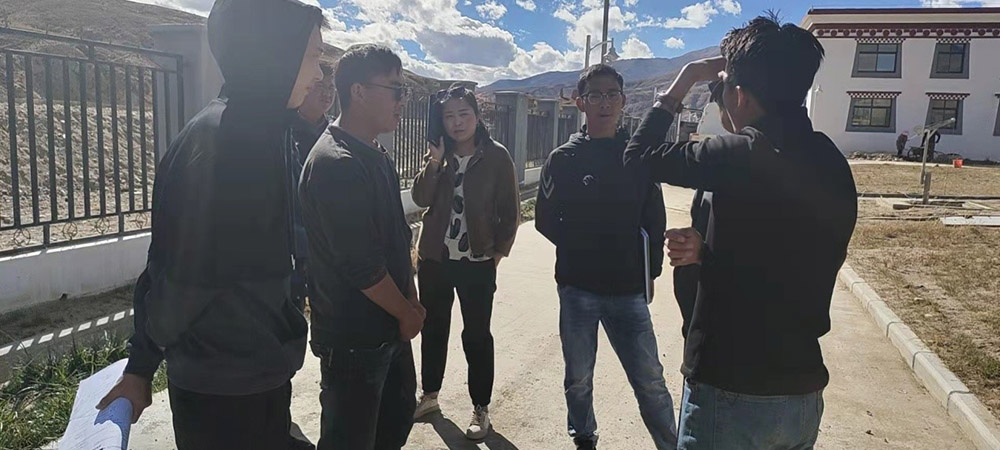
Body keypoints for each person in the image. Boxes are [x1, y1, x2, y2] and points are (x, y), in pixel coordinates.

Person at [97, 1, 327, 449]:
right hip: (224, 388)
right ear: (275, 52)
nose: (319, 74)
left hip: (256, 371)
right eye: (314, 56)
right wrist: (141, 366)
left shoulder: (265, 129)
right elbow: (179, 276)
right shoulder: (229, 141)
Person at [624, 15, 858, 449]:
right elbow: (789, 257)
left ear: (739, 94)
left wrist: (686, 79)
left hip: (731, 386)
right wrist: (709, 253)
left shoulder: (740, 155)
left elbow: (638, 158)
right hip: (802, 390)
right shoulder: (831, 161)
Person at [535, 64, 675, 450]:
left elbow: (655, 218)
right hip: (577, 289)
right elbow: (544, 219)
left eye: (612, 94)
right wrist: (580, 247)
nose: (604, 102)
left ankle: (672, 443)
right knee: (578, 378)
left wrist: (650, 271)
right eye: (595, 95)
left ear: (623, 100)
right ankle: (583, 436)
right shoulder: (563, 159)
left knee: (650, 380)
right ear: (580, 103)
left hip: (629, 290)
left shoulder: (639, 158)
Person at [298, 44, 424, 450]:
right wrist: (406, 312)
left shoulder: (375, 153)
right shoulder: (336, 163)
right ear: (358, 92)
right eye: (395, 88)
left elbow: (396, 238)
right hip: (354, 339)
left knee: (393, 425)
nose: (402, 100)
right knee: (349, 440)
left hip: (388, 329)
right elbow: (362, 265)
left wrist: (411, 301)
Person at [410, 84, 520, 439]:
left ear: (477, 116)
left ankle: (480, 407)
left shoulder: (496, 156)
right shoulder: (438, 155)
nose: (457, 123)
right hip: (435, 260)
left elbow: (510, 212)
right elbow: (421, 197)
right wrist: (435, 162)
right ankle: (429, 395)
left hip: (477, 262)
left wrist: (497, 255)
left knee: (476, 336)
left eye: (463, 114)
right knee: (433, 329)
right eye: (449, 116)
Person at [294, 62, 336, 163]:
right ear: (306, 87)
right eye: (320, 86)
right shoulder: (288, 128)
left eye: (331, 88)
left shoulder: (335, 128)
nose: (327, 93)